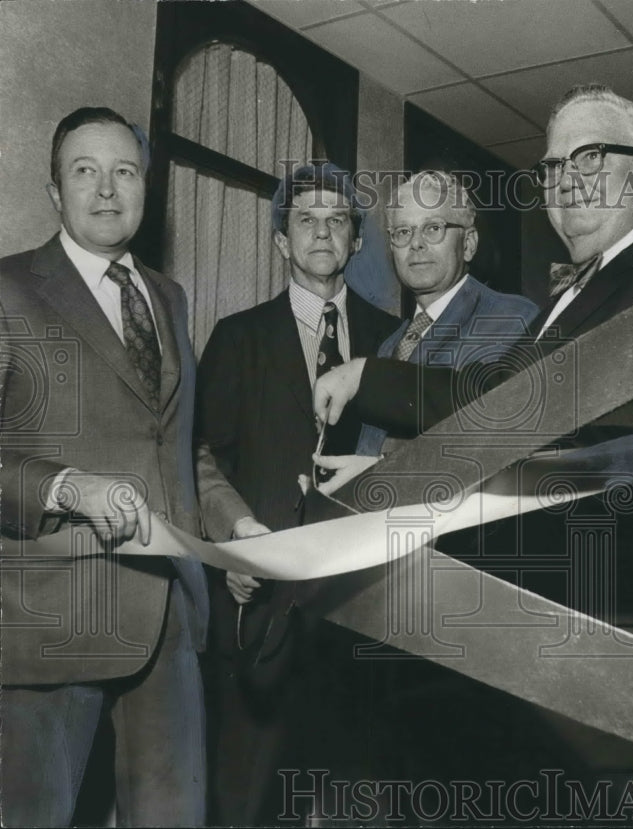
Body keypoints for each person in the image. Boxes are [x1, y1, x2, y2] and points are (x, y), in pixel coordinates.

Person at [312, 85, 633, 816]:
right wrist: (388, 473)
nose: (566, 179)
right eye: (553, 166)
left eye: (591, 155)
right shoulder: (589, 290)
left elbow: (533, 417)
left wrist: (371, 377)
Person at [0, 106, 208, 826]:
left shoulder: (169, 297)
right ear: (55, 190)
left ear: (146, 187)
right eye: (84, 171)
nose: (107, 189)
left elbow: (179, 441)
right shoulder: (8, 289)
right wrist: (67, 486)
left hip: (171, 616)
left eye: (124, 171)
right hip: (55, 614)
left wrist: (237, 529)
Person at [194, 162, 399, 825]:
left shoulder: (394, 340)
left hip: (365, 614)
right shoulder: (237, 337)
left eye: (336, 219)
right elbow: (198, 458)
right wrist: (234, 539)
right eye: (304, 219)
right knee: (248, 801)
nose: (321, 231)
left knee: (356, 798)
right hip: (258, 615)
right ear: (281, 241)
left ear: (356, 240)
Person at [346, 169, 538, 461]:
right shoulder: (390, 343)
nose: (416, 243)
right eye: (402, 232)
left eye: (433, 228)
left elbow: (502, 440)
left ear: (469, 244)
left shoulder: (512, 319)